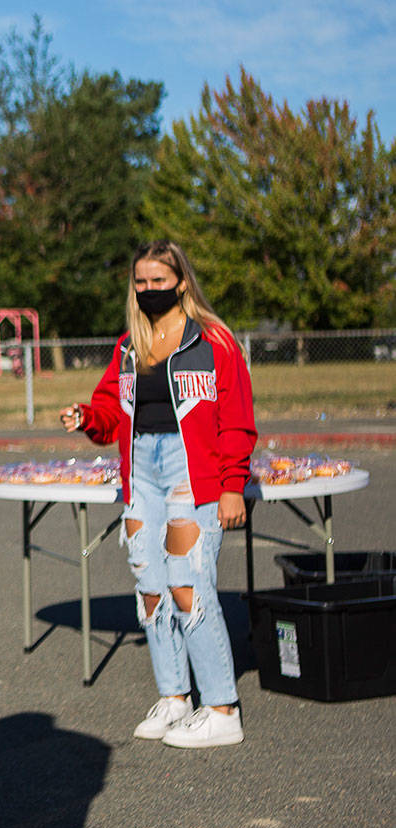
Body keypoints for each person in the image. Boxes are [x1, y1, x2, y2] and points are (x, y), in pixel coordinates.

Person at [60, 240, 256, 749]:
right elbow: (110, 412)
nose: (149, 291)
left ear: (182, 282)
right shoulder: (131, 344)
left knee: (188, 584)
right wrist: (86, 416)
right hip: (140, 470)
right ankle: (175, 697)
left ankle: (222, 709)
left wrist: (233, 486)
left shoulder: (215, 342)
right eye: (141, 283)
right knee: (150, 588)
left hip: (192, 470)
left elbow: (237, 420)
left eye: (159, 281)